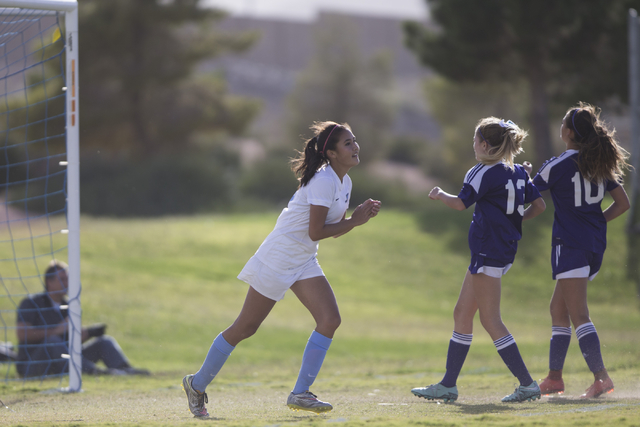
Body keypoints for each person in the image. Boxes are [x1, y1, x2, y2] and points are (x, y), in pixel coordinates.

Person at [182, 121, 381, 418]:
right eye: (348, 143)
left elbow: (328, 231)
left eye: (355, 141)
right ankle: (196, 385)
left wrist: (355, 220)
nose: (356, 147)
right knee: (245, 327)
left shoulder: (345, 183)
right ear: (332, 153)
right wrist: (355, 221)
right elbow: (316, 231)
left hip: (304, 259)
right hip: (279, 256)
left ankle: (300, 393)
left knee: (329, 319)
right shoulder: (324, 180)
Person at [411, 117, 546, 403]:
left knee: (490, 319)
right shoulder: (520, 171)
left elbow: (460, 203)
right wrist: (513, 222)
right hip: (499, 249)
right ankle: (448, 385)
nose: (473, 145)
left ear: (485, 145)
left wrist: (439, 194)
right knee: (462, 313)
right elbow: (540, 205)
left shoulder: (481, 171)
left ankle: (527, 384)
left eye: (475, 141)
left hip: (488, 250)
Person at [532, 103, 630, 399]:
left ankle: (601, 377)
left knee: (579, 315)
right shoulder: (597, 162)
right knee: (558, 309)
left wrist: (520, 175)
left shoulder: (558, 164)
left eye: (562, 124)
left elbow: (528, 192)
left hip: (570, 244)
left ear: (569, 132)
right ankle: (554, 378)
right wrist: (595, 221)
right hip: (593, 245)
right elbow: (623, 204)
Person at [15, 260, 150, 378]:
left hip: (63, 363)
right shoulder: (31, 303)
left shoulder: (68, 305)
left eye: (68, 279)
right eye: (62, 279)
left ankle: (125, 371)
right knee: (53, 342)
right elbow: (22, 334)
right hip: (33, 366)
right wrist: (57, 330)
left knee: (105, 342)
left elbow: (67, 344)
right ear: (49, 282)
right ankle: (96, 372)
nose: (67, 283)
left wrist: (84, 335)